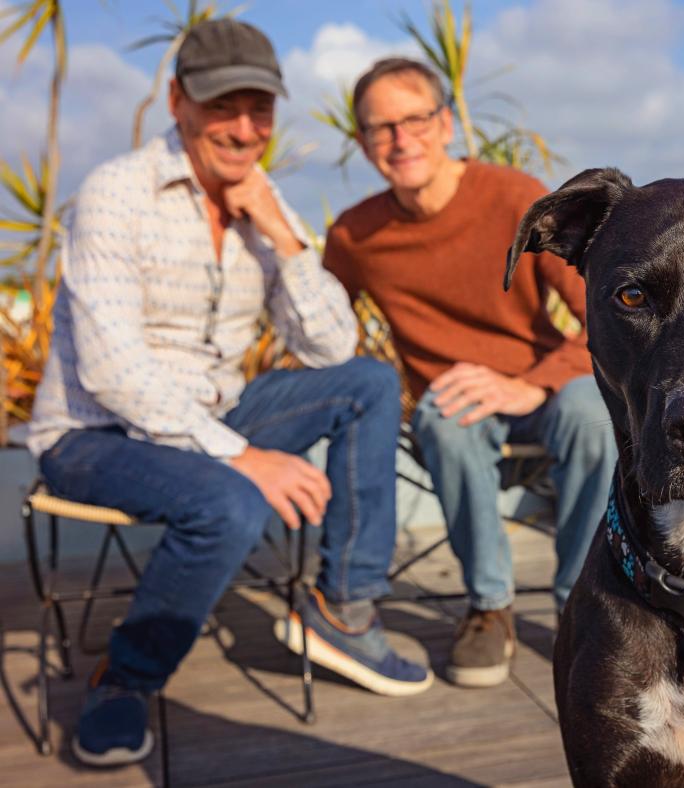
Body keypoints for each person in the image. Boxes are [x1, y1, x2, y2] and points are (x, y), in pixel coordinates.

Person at [28, 21, 432, 768]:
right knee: (230, 501)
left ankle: (342, 609)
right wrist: (243, 456)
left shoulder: (261, 199)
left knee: (369, 382)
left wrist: (283, 236)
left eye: (260, 108)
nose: (245, 129)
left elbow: (331, 348)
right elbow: (111, 371)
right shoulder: (117, 192)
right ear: (178, 101)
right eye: (223, 106)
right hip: (93, 434)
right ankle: (123, 679)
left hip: (211, 417)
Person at [323, 57, 617, 689]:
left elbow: (601, 314)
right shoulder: (354, 235)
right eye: (381, 128)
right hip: (455, 401)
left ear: (447, 122)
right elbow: (321, 333)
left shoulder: (512, 195)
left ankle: (581, 603)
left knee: (592, 412)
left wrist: (530, 382)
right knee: (445, 417)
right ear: (362, 143)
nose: (401, 140)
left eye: (415, 119)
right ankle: (490, 607)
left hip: (541, 381)